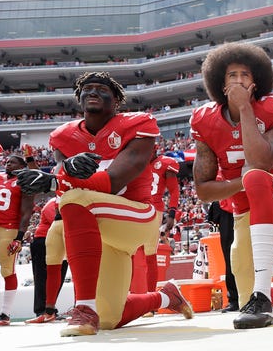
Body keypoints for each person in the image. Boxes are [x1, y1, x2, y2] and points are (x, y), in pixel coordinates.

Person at [15, 71, 193, 336]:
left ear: (116, 100)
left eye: (101, 88)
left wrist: (55, 181)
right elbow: (66, 187)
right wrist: (60, 177)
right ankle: (166, 296)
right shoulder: (64, 137)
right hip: (99, 227)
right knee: (109, 317)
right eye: (87, 88)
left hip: (137, 216)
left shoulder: (138, 125)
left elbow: (114, 181)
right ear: (79, 97)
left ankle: (84, 307)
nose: (93, 92)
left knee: (76, 199)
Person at [190, 42, 273, 329]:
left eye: (245, 75)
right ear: (221, 82)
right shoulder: (205, 120)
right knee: (249, 300)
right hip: (243, 212)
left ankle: (266, 296)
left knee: (255, 175)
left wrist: (244, 108)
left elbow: (261, 159)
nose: (239, 80)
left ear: (256, 83)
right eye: (232, 75)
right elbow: (204, 190)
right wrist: (238, 184)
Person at [130, 145, 181, 297]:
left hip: (154, 209)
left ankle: (151, 297)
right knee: (129, 251)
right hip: (137, 207)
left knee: (150, 252)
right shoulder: (138, 164)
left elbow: (174, 190)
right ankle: (127, 296)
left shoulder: (165, 163)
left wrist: (172, 213)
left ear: (154, 149)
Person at [0, 155, 34, 326]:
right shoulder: (0, 177)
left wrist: (19, 237)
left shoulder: (25, 181)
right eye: (6, 162)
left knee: (7, 270)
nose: (8, 164)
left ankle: (5, 314)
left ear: (22, 165)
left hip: (8, 229)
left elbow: (27, 212)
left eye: (12, 162)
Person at [25, 197, 69, 324]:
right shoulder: (52, 203)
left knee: (59, 276)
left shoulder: (61, 201)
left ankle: (50, 309)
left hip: (60, 239)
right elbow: (56, 221)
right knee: (42, 277)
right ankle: (41, 310)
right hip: (43, 240)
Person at [206, 199, 239, 312]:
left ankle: (256, 295)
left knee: (249, 256)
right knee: (230, 258)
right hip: (227, 206)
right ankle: (234, 299)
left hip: (244, 200)